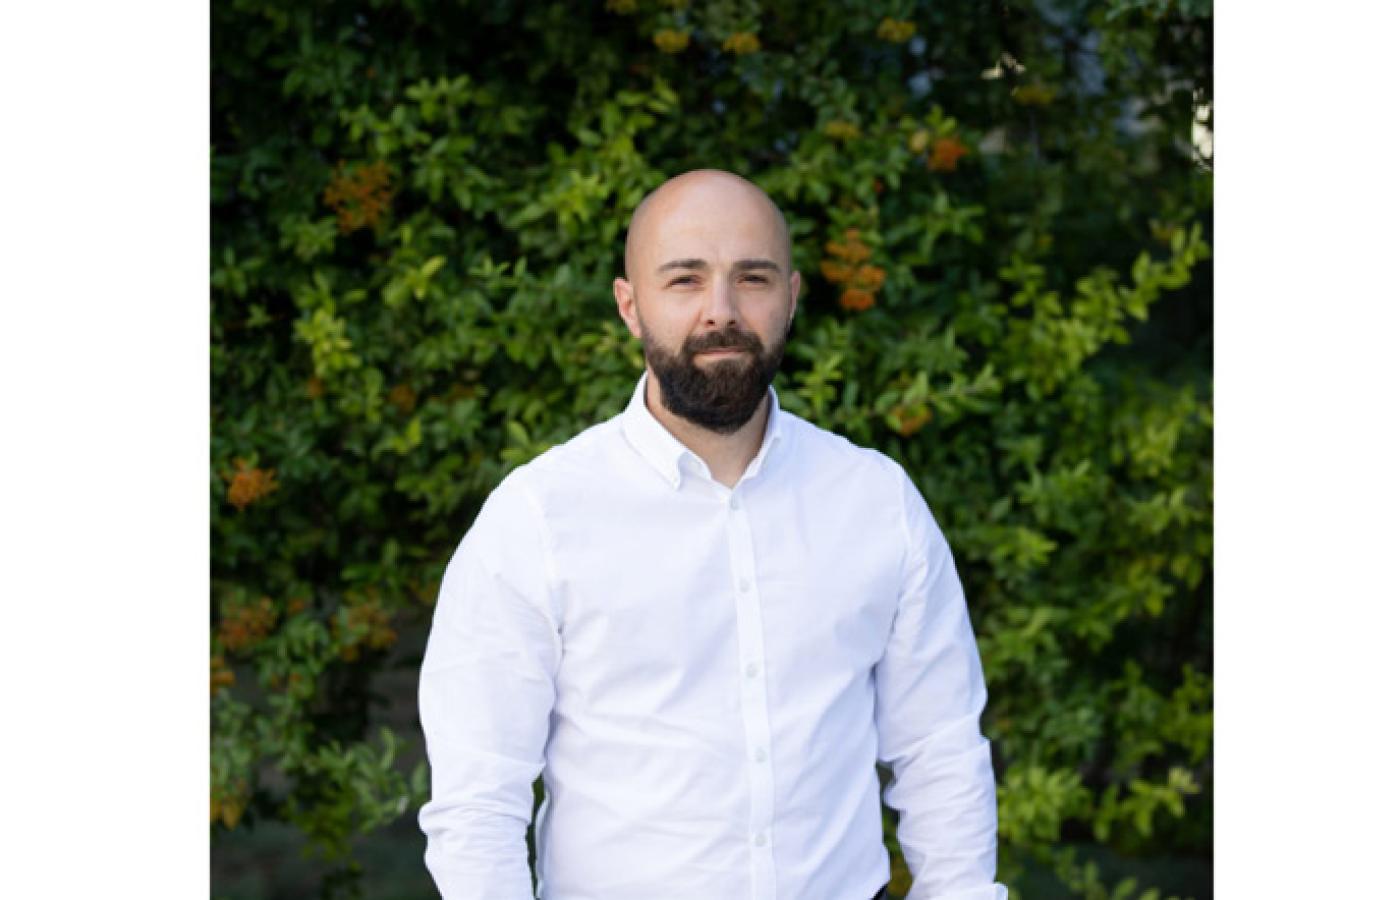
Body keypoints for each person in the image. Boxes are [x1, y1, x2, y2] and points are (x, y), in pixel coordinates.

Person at [417, 169, 1007, 900]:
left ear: (791, 297)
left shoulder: (877, 501)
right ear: (630, 306)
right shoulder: (537, 518)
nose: (721, 311)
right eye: (684, 280)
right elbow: (478, 805)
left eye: (752, 278)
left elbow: (940, 751)